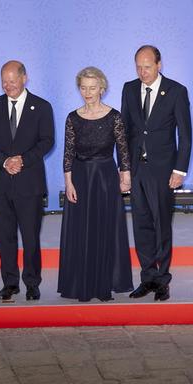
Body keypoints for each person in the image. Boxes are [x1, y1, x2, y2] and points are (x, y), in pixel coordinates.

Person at [0, 61, 55, 301]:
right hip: (2, 183)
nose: (7, 86)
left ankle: (32, 283)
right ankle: (10, 283)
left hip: (29, 183)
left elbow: (47, 141)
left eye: (12, 80)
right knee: (5, 236)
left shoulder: (42, 107)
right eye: (4, 81)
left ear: (24, 78)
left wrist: (22, 160)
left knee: (31, 237)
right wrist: (4, 161)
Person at [58, 66, 134, 302]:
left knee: (105, 228)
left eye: (92, 88)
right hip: (80, 178)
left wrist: (126, 177)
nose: (87, 92)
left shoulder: (114, 117)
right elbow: (68, 154)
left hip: (105, 178)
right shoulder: (73, 117)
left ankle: (104, 282)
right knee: (80, 230)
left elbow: (123, 151)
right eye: (83, 87)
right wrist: (68, 183)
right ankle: (81, 282)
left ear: (102, 88)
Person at [122, 45, 192, 302]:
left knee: (161, 224)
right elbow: (126, 132)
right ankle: (147, 277)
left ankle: (163, 280)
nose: (142, 72)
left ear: (159, 64)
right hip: (137, 170)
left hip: (164, 171)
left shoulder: (176, 91)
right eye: (138, 66)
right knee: (141, 225)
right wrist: (124, 168)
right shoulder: (129, 89)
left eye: (148, 66)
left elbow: (185, 135)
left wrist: (180, 170)